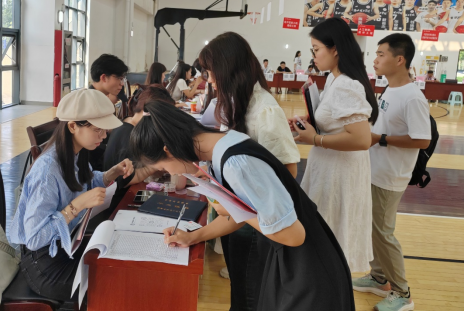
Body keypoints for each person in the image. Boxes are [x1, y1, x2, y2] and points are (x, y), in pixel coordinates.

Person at [130, 101, 355, 311]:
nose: (170, 173)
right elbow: (241, 215)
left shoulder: (237, 163)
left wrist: (232, 208)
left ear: (169, 150)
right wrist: (192, 237)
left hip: (307, 267)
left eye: (163, 168)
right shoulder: (221, 145)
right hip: (289, 259)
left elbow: (293, 235)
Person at [199, 32, 301, 310]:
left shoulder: (264, 110)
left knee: (249, 296)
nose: (209, 79)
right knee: (240, 287)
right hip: (235, 214)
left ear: (228, 68)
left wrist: (246, 207)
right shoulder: (236, 101)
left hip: (253, 221)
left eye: (211, 71)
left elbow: (288, 171)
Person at [9, 89, 134, 302]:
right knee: (114, 287)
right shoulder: (47, 171)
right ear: (73, 126)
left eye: (104, 130)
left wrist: (112, 173)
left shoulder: (75, 151)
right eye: (98, 130)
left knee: (120, 266)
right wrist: (75, 207)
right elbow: (33, 239)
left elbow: (85, 181)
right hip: (45, 265)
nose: (104, 136)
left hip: (68, 245)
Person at [290, 17, 379, 273]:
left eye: (316, 49)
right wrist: (308, 122)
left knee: (330, 237)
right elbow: (335, 121)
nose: (313, 56)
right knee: (324, 234)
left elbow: (361, 139)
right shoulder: (333, 79)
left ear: (335, 49)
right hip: (329, 166)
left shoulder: (347, 85)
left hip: (339, 172)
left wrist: (315, 139)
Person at [353, 33, 431, 312]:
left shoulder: (413, 97)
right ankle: (379, 278)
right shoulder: (391, 89)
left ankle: (402, 293)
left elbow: (422, 140)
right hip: (376, 170)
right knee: (374, 230)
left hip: (390, 177)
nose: (375, 59)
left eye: (381, 54)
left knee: (383, 234)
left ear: (399, 60)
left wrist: (381, 139)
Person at [100, 85, 176, 218]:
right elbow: (127, 179)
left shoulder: (128, 124)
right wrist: (159, 164)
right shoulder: (129, 135)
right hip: (117, 207)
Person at [90, 54, 129, 120]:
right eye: (119, 78)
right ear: (104, 78)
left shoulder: (103, 101)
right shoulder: (89, 104)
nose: (122, 84)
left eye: (123, 79)